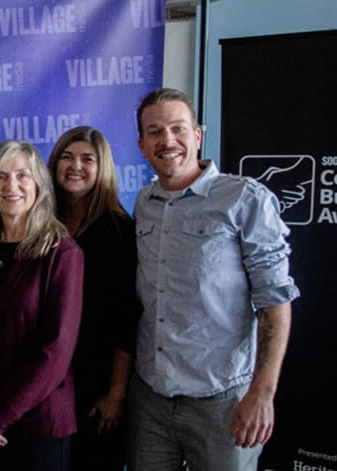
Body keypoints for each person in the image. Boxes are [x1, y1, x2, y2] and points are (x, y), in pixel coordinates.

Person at [128, 88, 299, 470]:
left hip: (223, 401)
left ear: (198, 135)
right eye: (155, 132)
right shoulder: (143, 203)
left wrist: (262, 393)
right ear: (141, 145)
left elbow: (275, 304)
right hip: (151, 399)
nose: (167, 140)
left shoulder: (244, 199)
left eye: (178, 128)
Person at [0, 140, 83, 470]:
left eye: (22, 175)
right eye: (0, 176)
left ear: (39, 183)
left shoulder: (62, 254)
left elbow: (56, 351)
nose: (11, 186)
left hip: (36, 427)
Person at [48, 126, 139, 471]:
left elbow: (127, 317)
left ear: (103, 169)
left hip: (98, 383)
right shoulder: (42, 224)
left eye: (88, 159)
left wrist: (115, 394)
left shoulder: (119, 229)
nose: (76, 166)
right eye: (67, 157)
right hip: (49, 379)